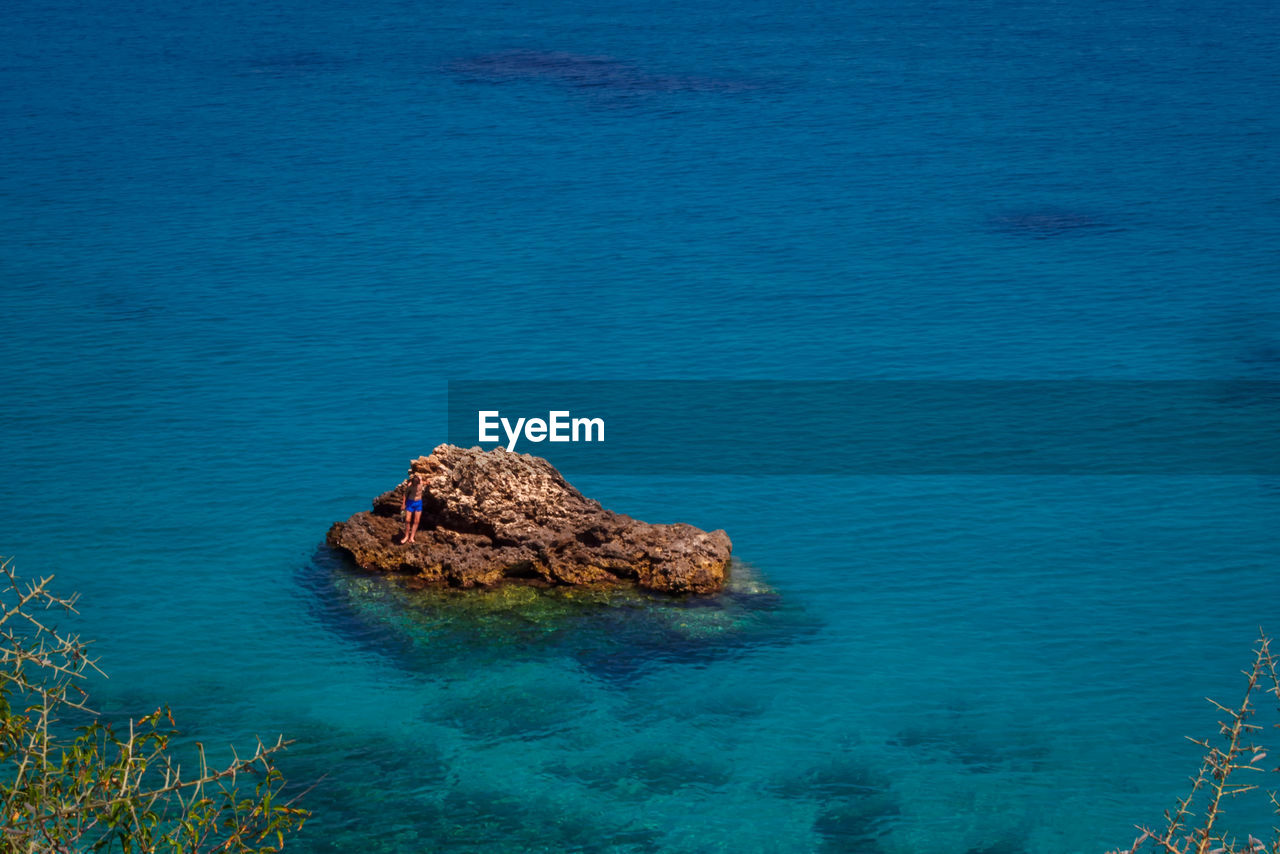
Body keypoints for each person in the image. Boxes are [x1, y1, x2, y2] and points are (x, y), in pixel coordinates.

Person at [399, 472, 426, 544]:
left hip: (418, 503)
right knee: (407, 520)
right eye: (413, 483)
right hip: (410, 503)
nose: (415, 484)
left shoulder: (421, 483)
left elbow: (425, 482)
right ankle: (406, 536)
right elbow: (405, 494)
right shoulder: (410, 485)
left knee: (416, 521)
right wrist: (403, 504)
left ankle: (412, 537)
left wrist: (428, 482)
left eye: (416, 483)